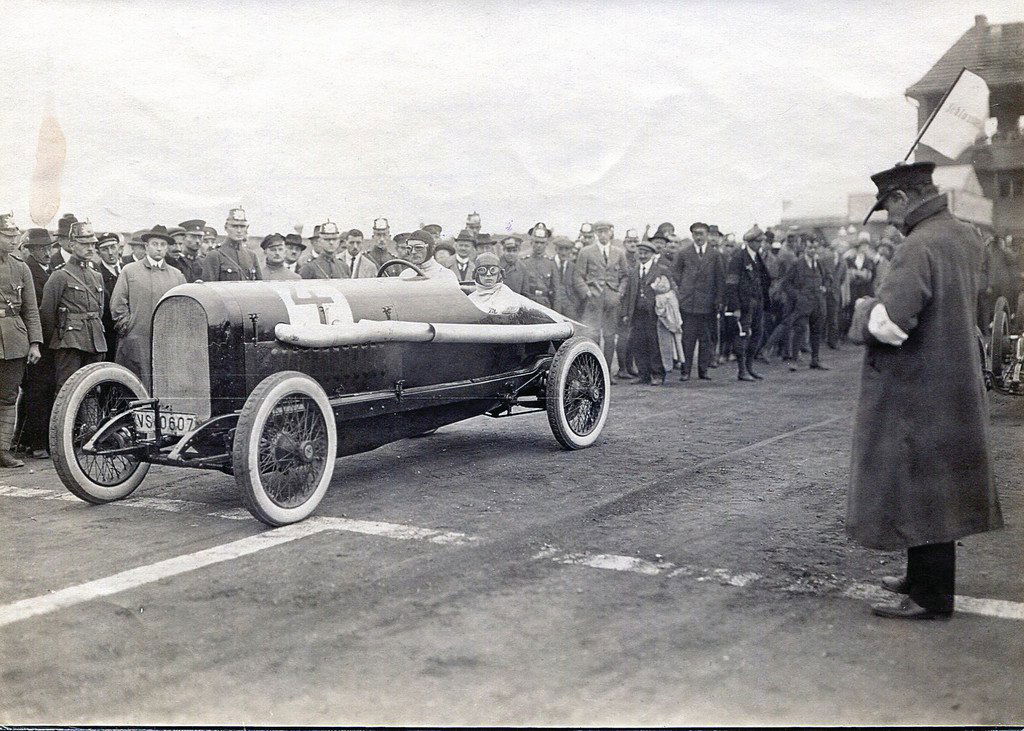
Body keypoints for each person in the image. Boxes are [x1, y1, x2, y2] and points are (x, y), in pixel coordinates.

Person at [848, 160, 1003, 621]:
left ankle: (931, 596)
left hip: (917, 385)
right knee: (936, 484)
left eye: (888, 209)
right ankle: (921, 578)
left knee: (921, 483)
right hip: (953, 380)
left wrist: (862, 310)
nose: (889, 220)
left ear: (901, 198)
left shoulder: (918, 246)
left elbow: (892, 324)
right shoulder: (963, 234)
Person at [110, 225, 186, 391]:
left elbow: (183, 307)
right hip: (136, 341)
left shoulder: (177, 275)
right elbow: (118, 303)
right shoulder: (130, 271)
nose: (159, 248)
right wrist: (128, 326)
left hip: (167, 341)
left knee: (164, 386)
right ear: (146, 246)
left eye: (163, 245)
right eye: (155, 244)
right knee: (134, 386)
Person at [39, 221, 107, 390]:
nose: (90, 248)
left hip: (95, 340)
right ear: (72, 244)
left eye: (92, 244)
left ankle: (89, 418)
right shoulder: (60, 275)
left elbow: (100, 310)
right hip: (70, 342)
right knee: (67, 389)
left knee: (92, 389)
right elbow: (47, 314)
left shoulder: (96, 276)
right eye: (84, 244)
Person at [0, 215, 43, 467]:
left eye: (15, 235)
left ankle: (3, 450)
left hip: (15, 337)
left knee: (8, 396)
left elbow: (31, 309)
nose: (13, 240)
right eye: (7, 236)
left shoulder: (21, 266)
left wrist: (35, 342)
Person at [15, 228, 53, 458]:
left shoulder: (45, 270)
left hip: (45, 338)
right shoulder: (28, 269)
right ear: (31, 250)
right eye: (41, 248)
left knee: (37, 388)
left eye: (49, 247)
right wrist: (33, 340)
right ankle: (36, 442)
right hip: (34, 339)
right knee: (36, 389)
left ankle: (24, 439)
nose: (47, 252)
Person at [671, 221, 723, 381]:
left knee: (706, 339)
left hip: (708, 304)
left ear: (707, 235)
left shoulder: (715, 255)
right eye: (695, 234)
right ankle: (685, 371)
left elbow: (720, 279)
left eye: (701, 233)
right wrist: (684, 292)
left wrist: (718, 300)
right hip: (689, 304)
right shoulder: (684, 253)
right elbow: (676, 275)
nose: (698, 237)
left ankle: (703, 370)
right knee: (688, 338)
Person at [574, 220, 629, 371]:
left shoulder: (619, 252)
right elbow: (578, 276)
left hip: (612, 300)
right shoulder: (586, 252)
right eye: (600, 232)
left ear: (611, 232)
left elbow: (625, 276)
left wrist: (619, 293)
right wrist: (587, 292)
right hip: (593, 300)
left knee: (610, 337)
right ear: (596, 234)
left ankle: (608, 372)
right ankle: (595, 371)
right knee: (592, 335)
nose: (603, 235)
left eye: (606, 231)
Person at [621, 238, 671, 385]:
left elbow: (669, 290)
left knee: (655, 344)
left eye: (645, 253)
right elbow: (628, 294)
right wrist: (625, 313)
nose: (642, 256)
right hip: (637, 314)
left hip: (654, 314)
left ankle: (657, 374)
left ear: (652, 254)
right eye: (640, 253)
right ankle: (643, 374)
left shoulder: (660, 270)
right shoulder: (634, 271)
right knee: (639, 344)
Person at [726, 225, 771, 381]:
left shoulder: (757, 257)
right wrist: (736, 307)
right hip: (744, 304)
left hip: (757, 301)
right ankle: (742, 369)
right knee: (742, 335)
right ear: (750, 242)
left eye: (761, 241)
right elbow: (731, 284)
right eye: (758, 241)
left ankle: (749, 367)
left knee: (757, 334)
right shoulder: (739, 257)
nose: (761, 244)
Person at [781, 235, 830, 371]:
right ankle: (794, 361)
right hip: (803, 305)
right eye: (809, 247)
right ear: (804, 247)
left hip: (818, 303)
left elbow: (828, 277)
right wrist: (797, 296)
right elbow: (786, 284)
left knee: (816, 331)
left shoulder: (819, 264)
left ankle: (815, 360)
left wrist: (825, 287)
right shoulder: (797, 264)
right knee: (800, 330)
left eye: (815, 247)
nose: (812, 250)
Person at [201, 208, 261, 281]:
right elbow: (210, 289)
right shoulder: (215, 255)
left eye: (242, 226)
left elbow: (259, 286)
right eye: (234, 226)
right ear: (226, 228)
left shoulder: (252, 256)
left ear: (246, 228)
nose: (239, 231)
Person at [94, 232, 123, 361]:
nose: (110, 252)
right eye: (105, 249)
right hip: (109, 333)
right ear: (98, 253)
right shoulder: (96, 273)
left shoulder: (127, 269)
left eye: (113, 247)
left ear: (119, 248)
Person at [518, 222, 558, 308]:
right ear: (531, 243)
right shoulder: (522, 261)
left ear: (546, 244)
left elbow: (556, 290)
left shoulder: (551, 263)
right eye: (536, 242)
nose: (539, 245)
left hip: (545, 303)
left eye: (542, 243)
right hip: (527, 303)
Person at [552, 236, 581, 318]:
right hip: (552, 302)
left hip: (569, 303)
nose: (563, 253)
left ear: (571, 251)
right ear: (556, 249)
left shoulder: (573, 266)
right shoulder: (549, 263)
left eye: (567, 249)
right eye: (560, 249)